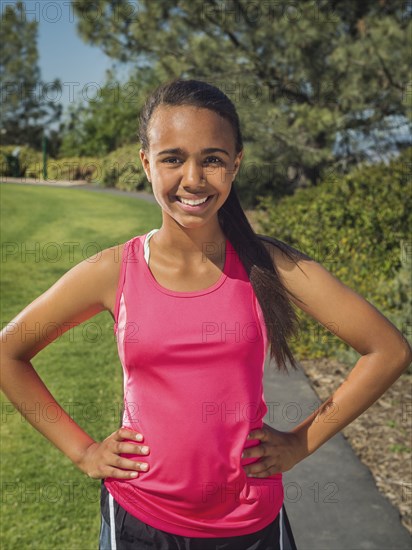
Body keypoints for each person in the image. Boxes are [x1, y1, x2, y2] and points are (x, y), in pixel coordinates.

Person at [1, 79, 411, 550]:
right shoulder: (114, 270)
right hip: (139, 518)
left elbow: (387, 349)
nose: (193, 179)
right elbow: (9, 352)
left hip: (250, 523)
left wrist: (301, 442)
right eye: (172, 158)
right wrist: (84, 451)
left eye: (213, 159)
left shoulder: (269, 267)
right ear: (145, 163)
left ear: (235, 164)